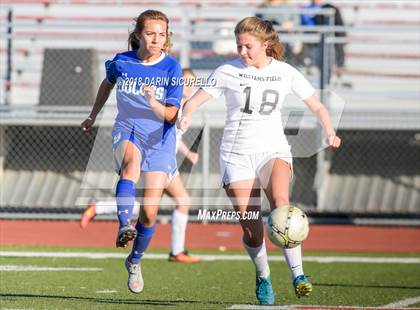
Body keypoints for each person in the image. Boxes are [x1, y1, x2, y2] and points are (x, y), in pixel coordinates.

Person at [179, 16, 341, 305]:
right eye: (239, 46)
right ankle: (263, 275)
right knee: (251, 227)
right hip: (236, 155)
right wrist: (187, 113)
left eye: (248, 46)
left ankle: (298, 274)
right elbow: (196, 99)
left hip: (272, 149)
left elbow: (317, 105)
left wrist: (329, 130)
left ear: (266, 44)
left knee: (282, 205)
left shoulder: (285, 72)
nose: (242, 52)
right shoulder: (227, 70)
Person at [81, 10, 184, 294]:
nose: (156, 39)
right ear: (138, 34)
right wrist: (93, 115)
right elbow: (107, 83)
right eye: (150, 33)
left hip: (160, 138)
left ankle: (134, 261)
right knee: (131, 167)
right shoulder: (121, 62)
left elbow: (171, 115)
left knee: (150, 213)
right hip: (127, 128)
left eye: (161, 34)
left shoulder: (172, 68)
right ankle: (124, 224)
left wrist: (153, 103)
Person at [80, 69, 201, 264]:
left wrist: (187, 153)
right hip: (157, 156)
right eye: (185, 82)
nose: (189, 87)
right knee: (174, 202)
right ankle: (174, 251)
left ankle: (100, 208)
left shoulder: (187, 105)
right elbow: (163, 127)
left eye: (192, 83)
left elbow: (175, 137)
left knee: (156, 205)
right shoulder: (172, 100)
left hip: (165, 158)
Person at [256, 0, 305, 67]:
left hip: (285, 39)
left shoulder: (289, 7)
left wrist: (291, 24)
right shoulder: (263, 6)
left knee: (286, 59)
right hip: (268, 38)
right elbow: (257, 22)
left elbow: (296, 22)